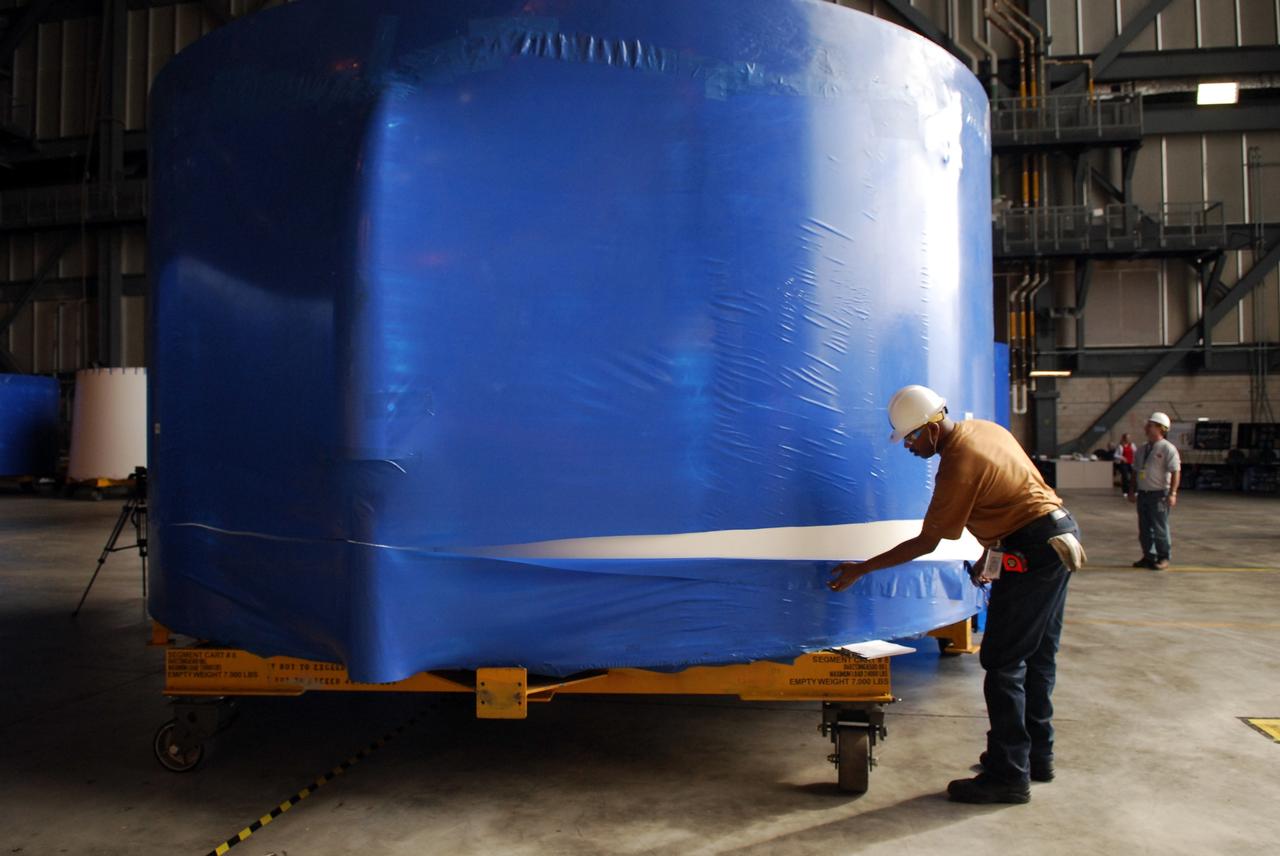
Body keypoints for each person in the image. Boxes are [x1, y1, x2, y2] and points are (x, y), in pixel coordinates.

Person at [829, 385, 1084, 805]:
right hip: (1056, 538)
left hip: (1034, 551)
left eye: (911, 437)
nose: (908, 446)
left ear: (932, 427)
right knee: (1036, 656)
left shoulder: (957, 462)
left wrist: (861, 568)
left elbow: (927, 542)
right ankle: (1035, 756)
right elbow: (1013, 496)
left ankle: (1008, 776)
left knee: (1002, 662)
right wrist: (990, 554)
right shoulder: (985, 430)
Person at [1128, 412, 1180, 570]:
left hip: (1159, 494)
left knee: (1160, 528)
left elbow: (1175, 471)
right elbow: (1135, 471)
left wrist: (1172, 493)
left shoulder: (1167, 449)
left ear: (1160, 428)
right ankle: (1148, 556)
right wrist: (1131, 490)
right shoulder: (1142, 449)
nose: (1146, 428)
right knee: (1144, 529)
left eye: (1150, 425)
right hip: (1144, 493)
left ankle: (1163, 557)